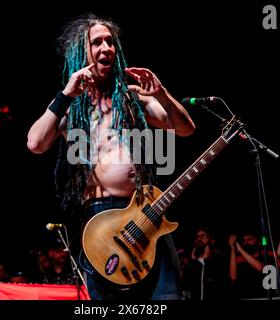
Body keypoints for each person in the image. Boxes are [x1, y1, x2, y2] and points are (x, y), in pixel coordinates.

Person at [27, 13, 195, 300]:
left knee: (165, 297)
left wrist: (163, 94)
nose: (106, 48)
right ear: (83, 53)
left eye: (110, 42)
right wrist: (66, 93)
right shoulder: (71, 106)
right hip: (100, 219)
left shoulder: (132, 98)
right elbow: (35, 144)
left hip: (144, 212)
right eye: (97, 43)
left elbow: (185, 129)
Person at [181, 226, 228, 300]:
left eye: (203, 236)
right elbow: (185, 285)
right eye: (197, 236)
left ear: (212, 241)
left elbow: (221, 283)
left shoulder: (219, 260)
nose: (199, 238)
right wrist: (192, 263)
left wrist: (208, 261)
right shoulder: (191, 263)